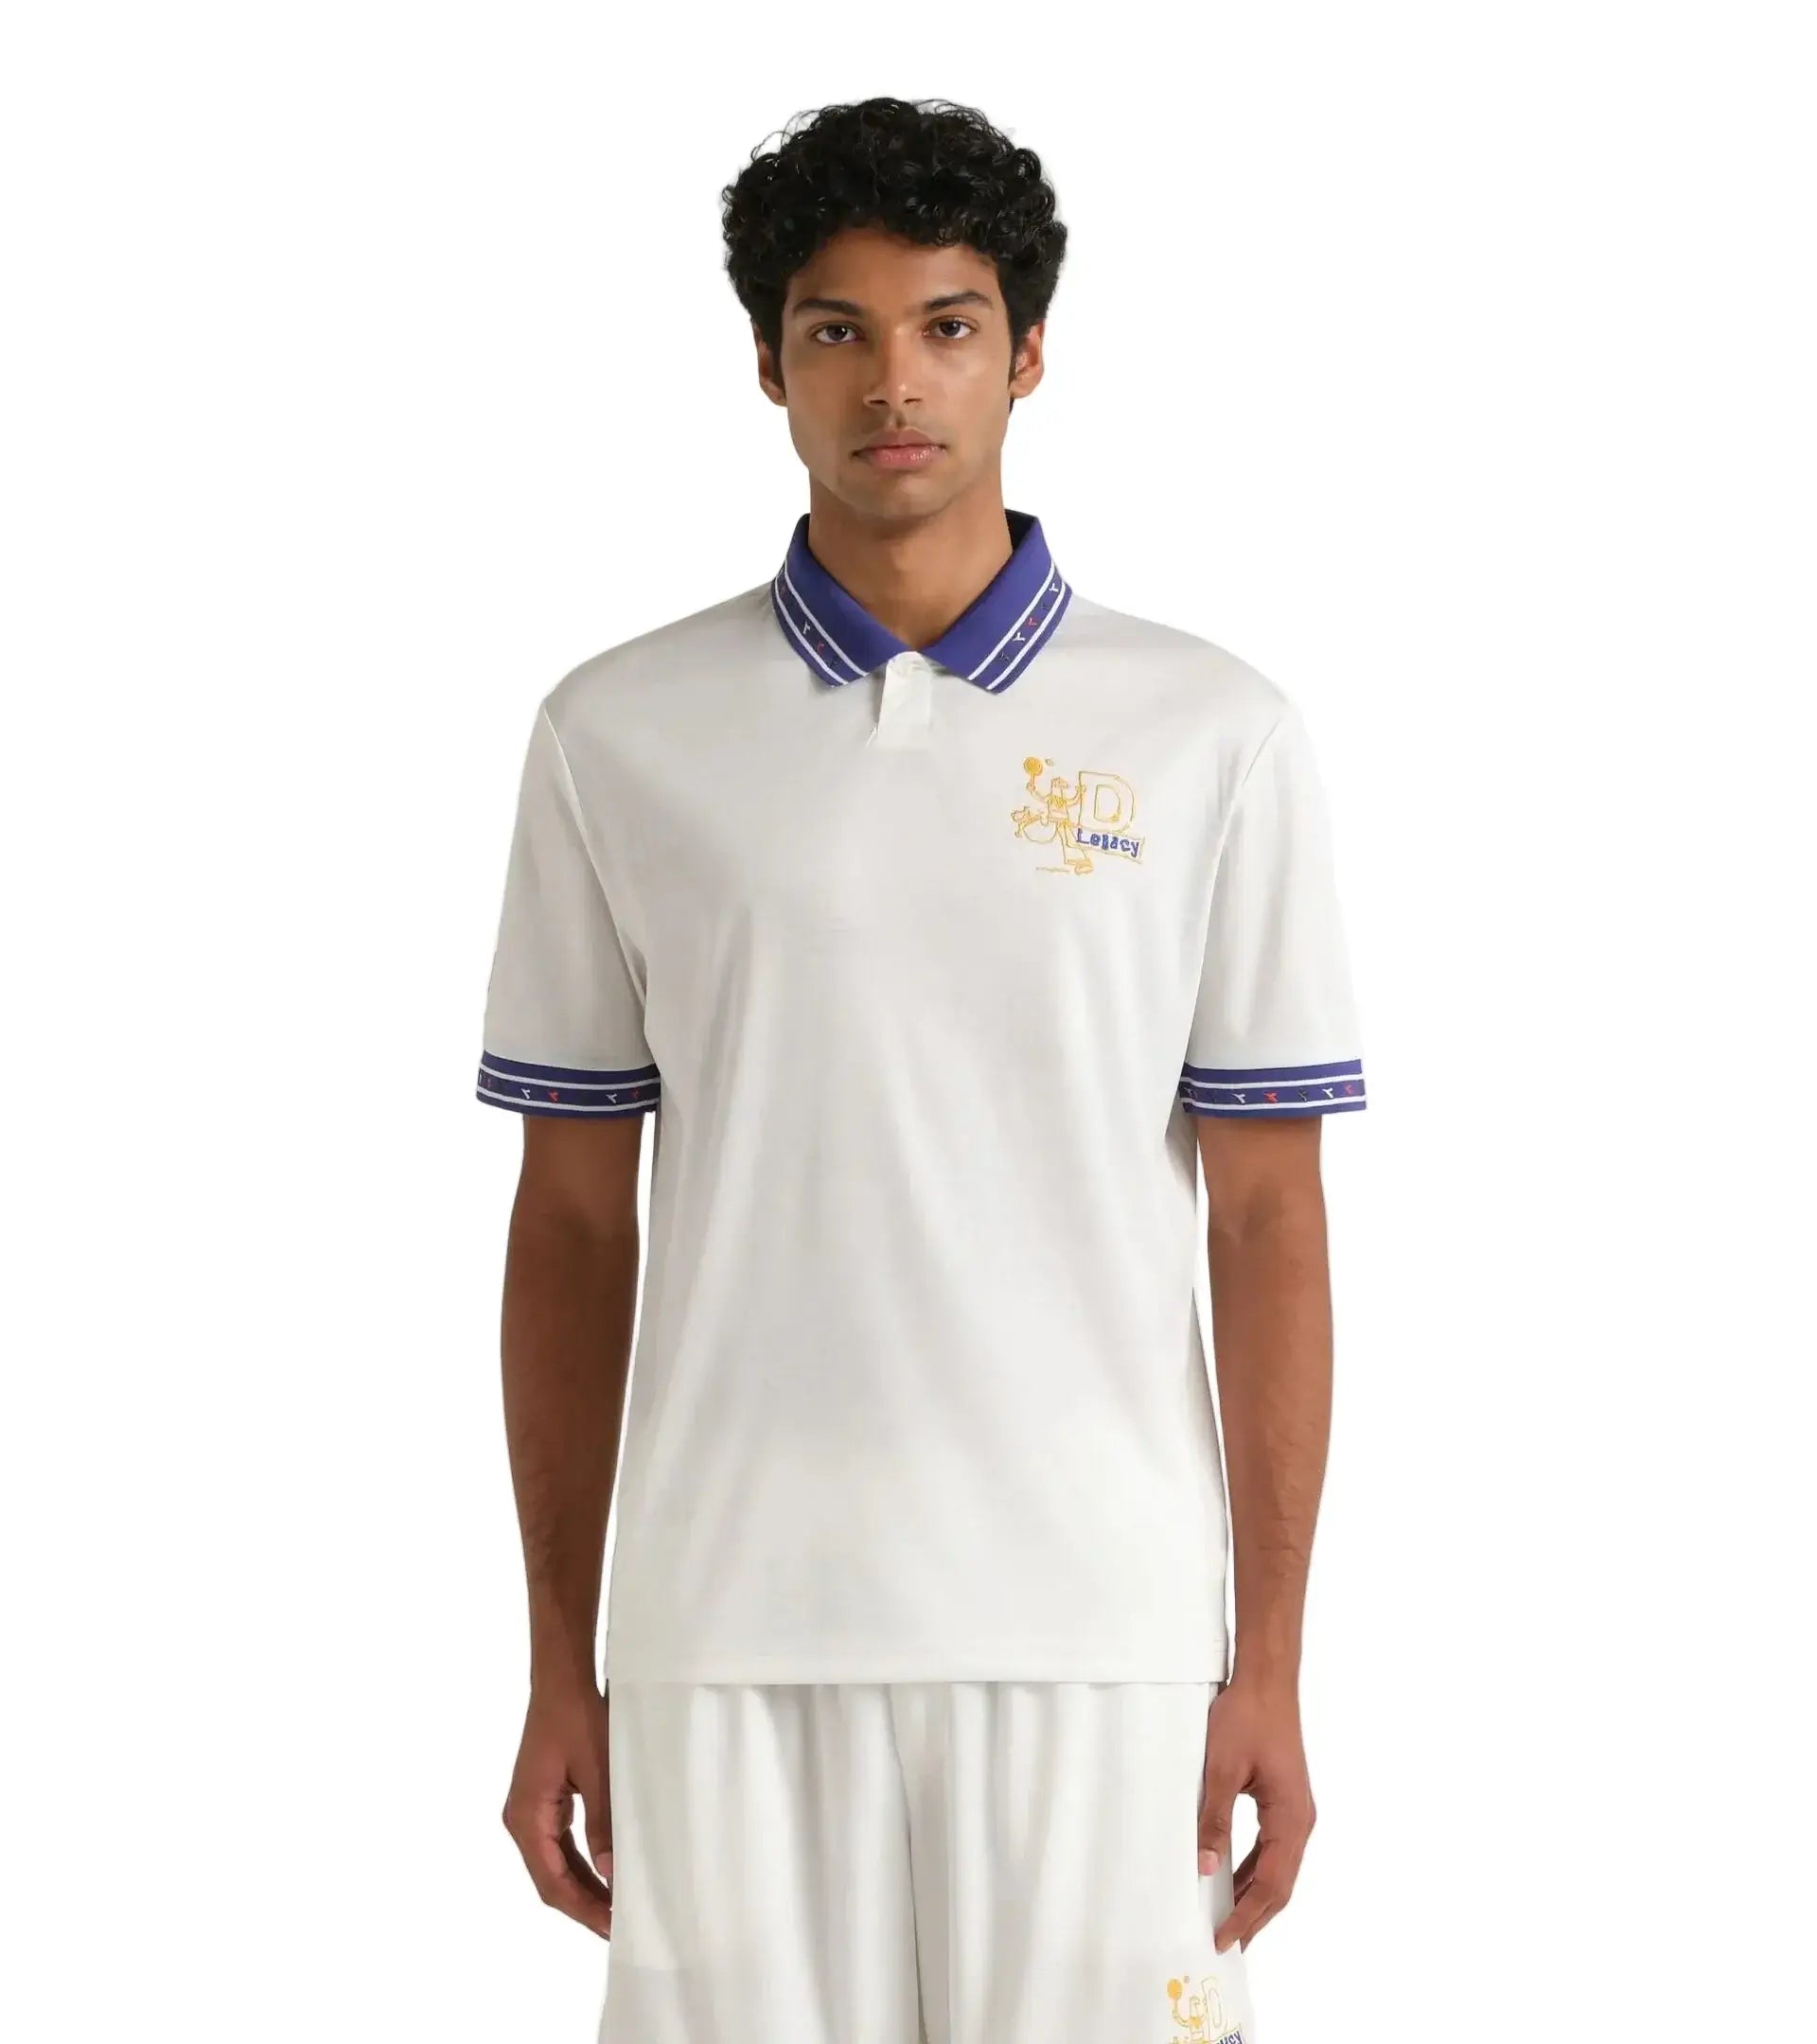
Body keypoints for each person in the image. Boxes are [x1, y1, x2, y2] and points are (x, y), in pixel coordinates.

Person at [477, 94, 1367, 2044]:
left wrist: (1273, 1661)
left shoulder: (1211, 734)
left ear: (1027, 353)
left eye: (948, 326)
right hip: (724, 1637)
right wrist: (562, 1660)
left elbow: (1271, 1221)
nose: (895, 382)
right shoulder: (617, 734)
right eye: (839, 330)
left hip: (1106, 1643)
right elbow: (572, 1223)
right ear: (769, 362)